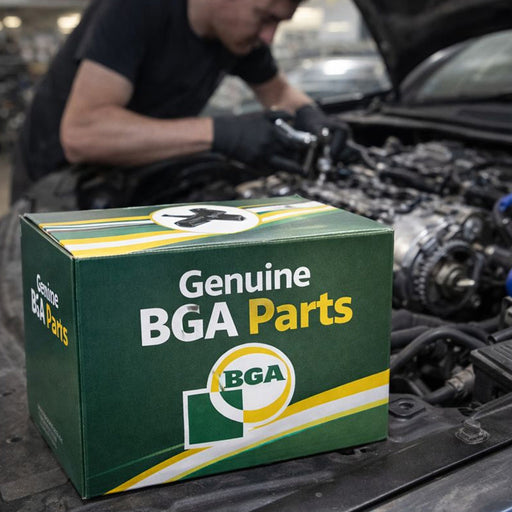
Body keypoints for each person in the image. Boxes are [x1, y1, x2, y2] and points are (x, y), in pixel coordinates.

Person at [12, 0, 345, 204]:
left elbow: (279, 93)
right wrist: (222, 134)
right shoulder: (137, 8)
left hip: (132, 178)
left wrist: (312, 117)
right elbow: (82, 134)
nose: (268, 36)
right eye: (265, 17)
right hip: (58, 190)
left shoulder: (237, 37)